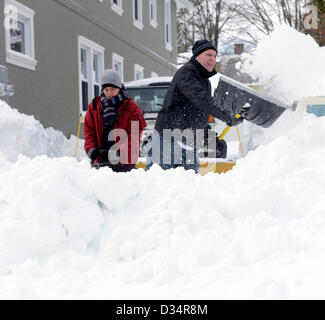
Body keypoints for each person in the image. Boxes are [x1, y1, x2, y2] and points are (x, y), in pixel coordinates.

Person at [146, 39, 242, 173]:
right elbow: (202, 99)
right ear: (197, 56)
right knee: (159, 184)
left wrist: (210, 137)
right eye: (208, 55)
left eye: (215, 56)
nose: (213, 59)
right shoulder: (187, 73)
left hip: (188, 143)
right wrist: (226, 115)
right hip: (169, 140)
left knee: (187, 189)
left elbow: (198, 113)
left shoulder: (204, 81)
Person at [84, 69, 147, 172]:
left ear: (119, 88)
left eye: (112, 89)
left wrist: (121, 153)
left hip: (123, 163)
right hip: (101, 159)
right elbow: (89, 131)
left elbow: (134, 137)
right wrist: (91, 149)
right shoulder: (94, 106)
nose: (109, 93)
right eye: (106, 89)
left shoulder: (131, 108)